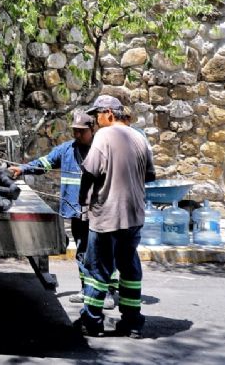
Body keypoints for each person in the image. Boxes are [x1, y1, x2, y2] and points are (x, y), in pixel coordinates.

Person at [8, 111, 111, 307]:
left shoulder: (102, 151)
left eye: (82, 131)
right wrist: (23, 168)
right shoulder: (66, 150)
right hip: (76, 212)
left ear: (92, 129)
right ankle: (86, 290)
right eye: (75, 131)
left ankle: (104, 292)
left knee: (100, 252)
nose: (78, 135)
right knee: (82, 251)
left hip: (98, 212)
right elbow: (44, 164)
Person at [75, 95, 155, 338]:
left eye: (97, 115)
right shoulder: (140, 138)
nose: (95, 121)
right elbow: (150, 175)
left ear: (109, 112)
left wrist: (83, 201)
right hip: (133, 217)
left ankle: (92, 321)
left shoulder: (104, 136)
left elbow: (89, 173)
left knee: (98, 270)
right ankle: (132, 323)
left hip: (106, 215)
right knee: (129, 269)